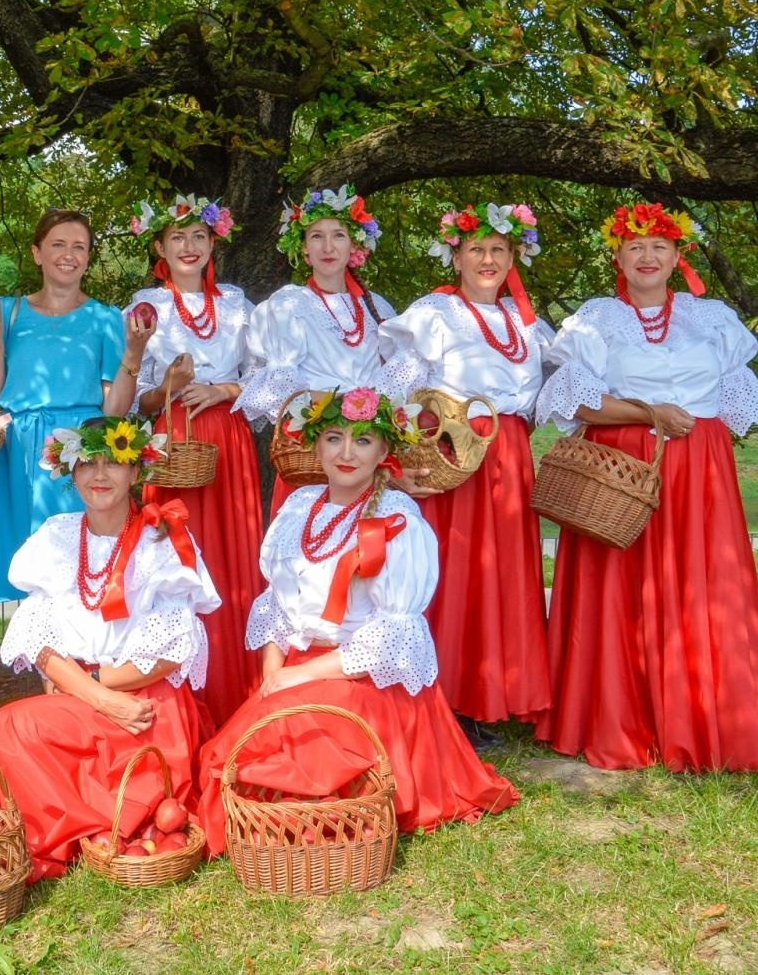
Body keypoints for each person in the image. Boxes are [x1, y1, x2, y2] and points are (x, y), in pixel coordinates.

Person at [535, 202, 758, 772]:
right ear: (618, 256)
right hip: (622, 464)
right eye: (635, 246)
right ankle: (618, 719)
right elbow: (577, 400)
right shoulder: (596, 319)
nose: (647, 256)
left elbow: (729, 403)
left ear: (677, 256)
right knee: (619, 584)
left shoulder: (712, 321)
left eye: (659, 246)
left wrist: (683, 431)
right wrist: (649, 411)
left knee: (704, 581)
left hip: (699, 468)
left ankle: (711, 715)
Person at [195, 387, 519, 854]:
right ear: (316, 445)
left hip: (367, 682)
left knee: (312, 772)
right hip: (296, 669)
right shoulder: (298, 507)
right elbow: (278, 606)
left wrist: (298, 676)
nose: (346, 453)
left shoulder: (395, 516)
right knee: (243, 760)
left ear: (385, 451)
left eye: (363, 441)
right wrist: (273, 676)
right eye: (333, 438)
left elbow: (391, 637)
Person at [0, 417, 218, 880]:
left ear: (136, 472)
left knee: (146, 772)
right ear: (70, 474)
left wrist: (103, 689)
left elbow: (175, 648)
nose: (99, 474)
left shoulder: (163, 537)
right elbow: (39, 639)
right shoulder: (56, 535)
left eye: (114, 462)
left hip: (146, 702)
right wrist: (95, 695)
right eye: (87, 463)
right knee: (8, 726)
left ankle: (110, 822)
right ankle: (80, 828)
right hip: (85, 692)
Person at [377, 203, 555, 748]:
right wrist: (400, 461)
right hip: (451, 453)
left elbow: (556, 393)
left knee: (501, 574)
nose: (487, 259)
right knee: (451, 570)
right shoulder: (432, 313)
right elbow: (393, 394)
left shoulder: (526, 323)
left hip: (510, 454)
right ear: (455, 256)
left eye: (498, 250)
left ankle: (489, 697)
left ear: (513, 258)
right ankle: (443, 697)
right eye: (475, 249)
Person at [123, 195, 264, 726]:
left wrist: (226, 387)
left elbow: (265, 375)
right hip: (174, 438)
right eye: (177, 238)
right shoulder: (144, 306)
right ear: (159, 246)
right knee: (179, 554)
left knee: (233, 551)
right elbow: (136, 399)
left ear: (212, 245)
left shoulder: (235, 303)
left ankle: (240, 682)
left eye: (199, 237)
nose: (189, 247)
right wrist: (170, 388)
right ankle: (183, 694)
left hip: (226, 436)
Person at [0, 209, 150, 601]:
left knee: (81, 557)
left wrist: (134, 352)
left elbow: (114, 412)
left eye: (79, 247)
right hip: (21, 448)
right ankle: (42, 655)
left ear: (87, 257)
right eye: (57, 244)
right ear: (37, 253)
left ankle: (88, 654)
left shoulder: (105, 319)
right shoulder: (7, 310)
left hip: (79, 450)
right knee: (30, 563)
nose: (68, 254)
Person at [236, 186, 394, 514]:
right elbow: (284, 389)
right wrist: (336, 412)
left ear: (354, 246)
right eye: (316, 236)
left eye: (338, 236)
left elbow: (392, 382)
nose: (327, 247)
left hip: (365, 449)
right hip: (314, 446)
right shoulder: (289, 305)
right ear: (304, 250)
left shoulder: (376, 307)